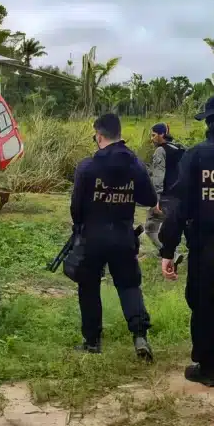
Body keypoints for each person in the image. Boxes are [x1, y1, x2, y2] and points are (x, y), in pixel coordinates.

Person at [157, 93, 214, 420]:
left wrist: (167, 249)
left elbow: (178, 207)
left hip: (204, 247)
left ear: (210, 122)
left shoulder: (196, 155)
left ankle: (207, 367)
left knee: (203, 306)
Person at [69, 113, 158, 361]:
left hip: (93, 237)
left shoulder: (87, 167)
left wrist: (82, 225)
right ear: (119, 134)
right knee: (129, 286)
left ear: (99, 136)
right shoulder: (135, 165)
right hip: (123, 236)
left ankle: (92, 342)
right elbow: (150, 199)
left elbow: (76, 208)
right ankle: (140, 337)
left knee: (88, 287)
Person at [145, 123, 186, 267]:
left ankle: (171, 254)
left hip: (165, 196)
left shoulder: (160, 151)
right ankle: (172, 252)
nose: (152, 138)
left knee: (150, 228)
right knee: (173, 226)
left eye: (154, 135)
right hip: (179, 196)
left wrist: (156, 199)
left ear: (162, 134)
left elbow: (158, 176)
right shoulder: (179, 149)